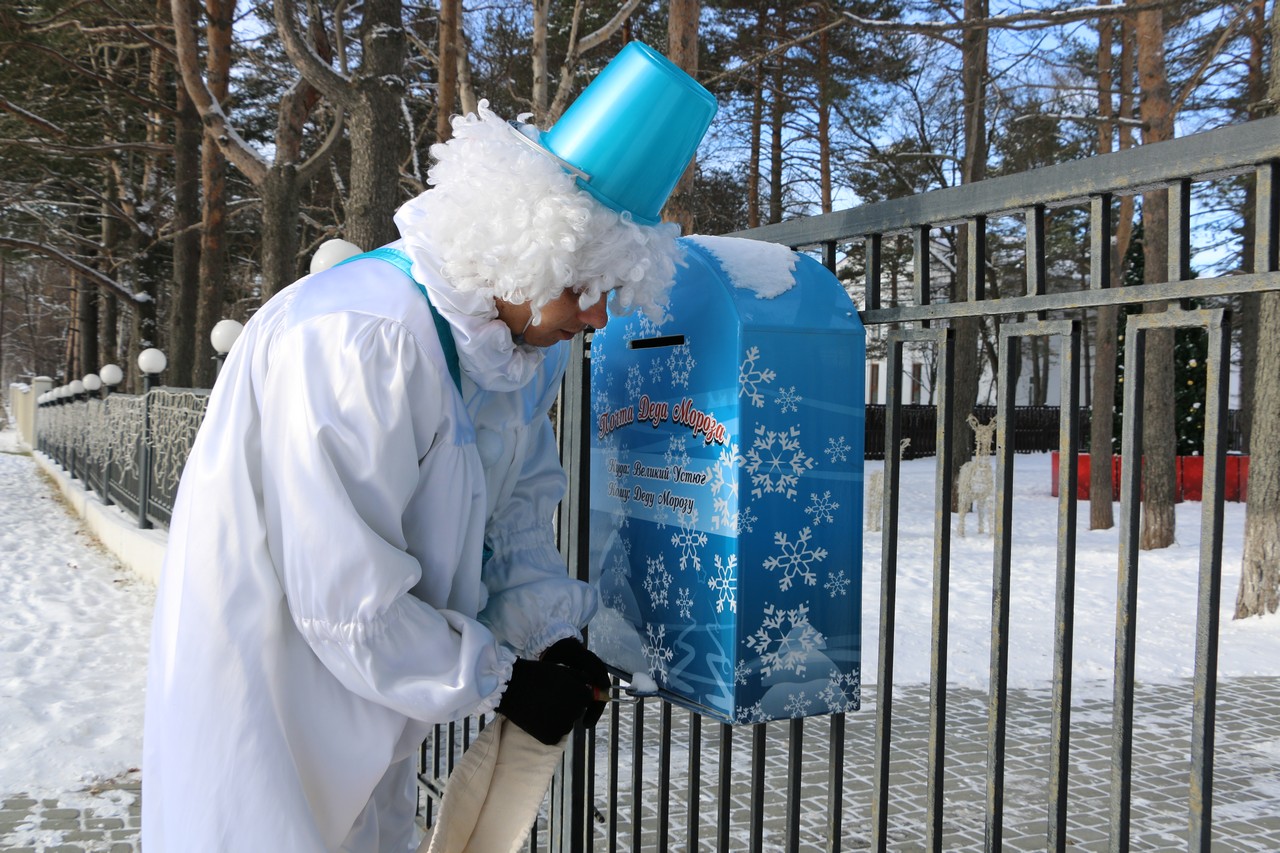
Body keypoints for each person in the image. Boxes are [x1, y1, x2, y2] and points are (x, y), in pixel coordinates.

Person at [142, 42, 715, 852]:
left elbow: (514, 505)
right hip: (275, 685)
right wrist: (499, 676)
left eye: (612, 292)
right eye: (587, 285)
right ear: (528, 250)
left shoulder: (517, 346)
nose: (597, 319)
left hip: (374, 701)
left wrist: (545, 632)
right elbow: (346, 602)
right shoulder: (363, 338)